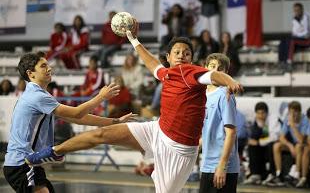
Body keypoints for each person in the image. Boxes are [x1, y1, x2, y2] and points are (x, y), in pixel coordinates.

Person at [25, 24, 242, 193]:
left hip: (179, 150)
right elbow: (151, 63)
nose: (182, 55)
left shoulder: (192, 73)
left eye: (187, 53)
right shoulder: (166, 74)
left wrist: (229, 80)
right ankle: (55, 152)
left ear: (192, 59)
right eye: (177, 52)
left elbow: (214, 75)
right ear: (168, 58)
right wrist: (133, 39)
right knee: (101, 134)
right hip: (157, 130)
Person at [2, 51, 134, 193]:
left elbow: (78, 118)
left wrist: (114, 121)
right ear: (31, 73)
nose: (49, 68)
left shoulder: (39, 95)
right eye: (43, 66)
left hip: (26, 163)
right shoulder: (36, 96)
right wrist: (101, 97)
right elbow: (77, 113)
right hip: (22, 163)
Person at [199, 53, 239, 193]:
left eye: (220, 68)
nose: (215, 71)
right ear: (205, 68)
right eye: (212, 66)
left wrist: (222, 165)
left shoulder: (224, 95)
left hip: (221, 167)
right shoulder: (202, 95)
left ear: (226, 73)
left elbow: (231, 133)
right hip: (207, 164)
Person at [267, 101, 309, 186]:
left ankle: (296, 175)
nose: (293, 115)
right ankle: (279, 174)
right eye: (291, 112)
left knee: (298, 146)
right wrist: (289, 146)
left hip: (304, 144)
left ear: (299, 112)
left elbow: (301, 140)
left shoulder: (305, 120)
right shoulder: (287, 119)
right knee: (276, 146)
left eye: (295, 112)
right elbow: (281, 137)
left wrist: (293, 126)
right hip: (293, 144)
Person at [244, 102, 270, 185]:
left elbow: (269, 137)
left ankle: (259, 175)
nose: (260, 116)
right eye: (258, 113)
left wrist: (258, 142)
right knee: (252, 146)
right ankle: (254, 174)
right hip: (259, 146)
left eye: (262, 113)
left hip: (269, 146)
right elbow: (252, 136)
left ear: (266, 113)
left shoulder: (270, 122)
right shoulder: (254, 123)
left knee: (256, 145)